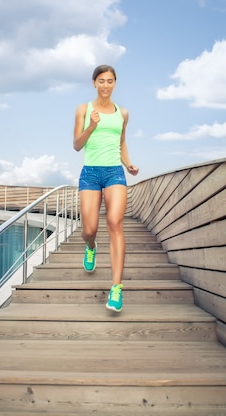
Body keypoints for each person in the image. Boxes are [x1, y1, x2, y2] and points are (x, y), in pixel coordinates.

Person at [73, 64, 139, 312]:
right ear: (94, 83)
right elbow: (77, 145)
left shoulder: (123, 113)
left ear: (115, 83)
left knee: (115, 223)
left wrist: (128, 163)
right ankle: (91, 247)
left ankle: (116, 288)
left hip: (114, 172)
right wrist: (90, 125)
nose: (106, 85)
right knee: (89, 229)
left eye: (110, 81)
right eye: (101, 80)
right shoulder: (83, 109)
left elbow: (121, 143)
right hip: (90, 172)